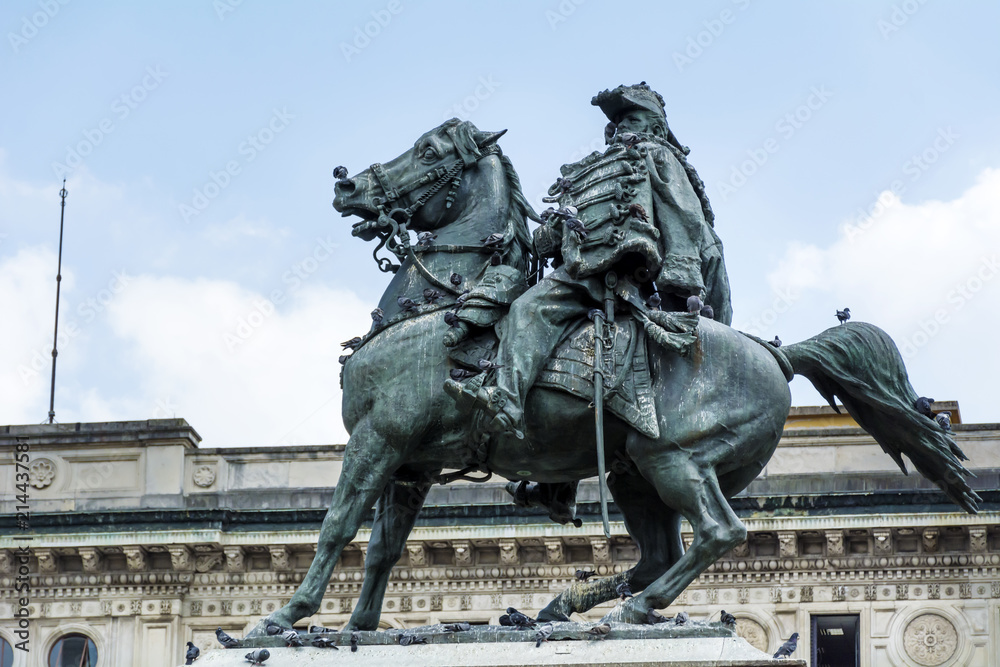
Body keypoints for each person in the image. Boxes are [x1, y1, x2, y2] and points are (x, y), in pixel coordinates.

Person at [446, 83, 732, 436]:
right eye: (616, 121)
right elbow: (560, 237)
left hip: (613, 281)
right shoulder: (596, 169)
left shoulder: (655, 155)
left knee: (529, 310)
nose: (618, 127)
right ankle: (555, 488)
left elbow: (684, 218)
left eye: (630, 117)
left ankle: (505, 398)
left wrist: (682, 281)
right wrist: (553, 230)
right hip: (586, 272)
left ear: (655, 129)